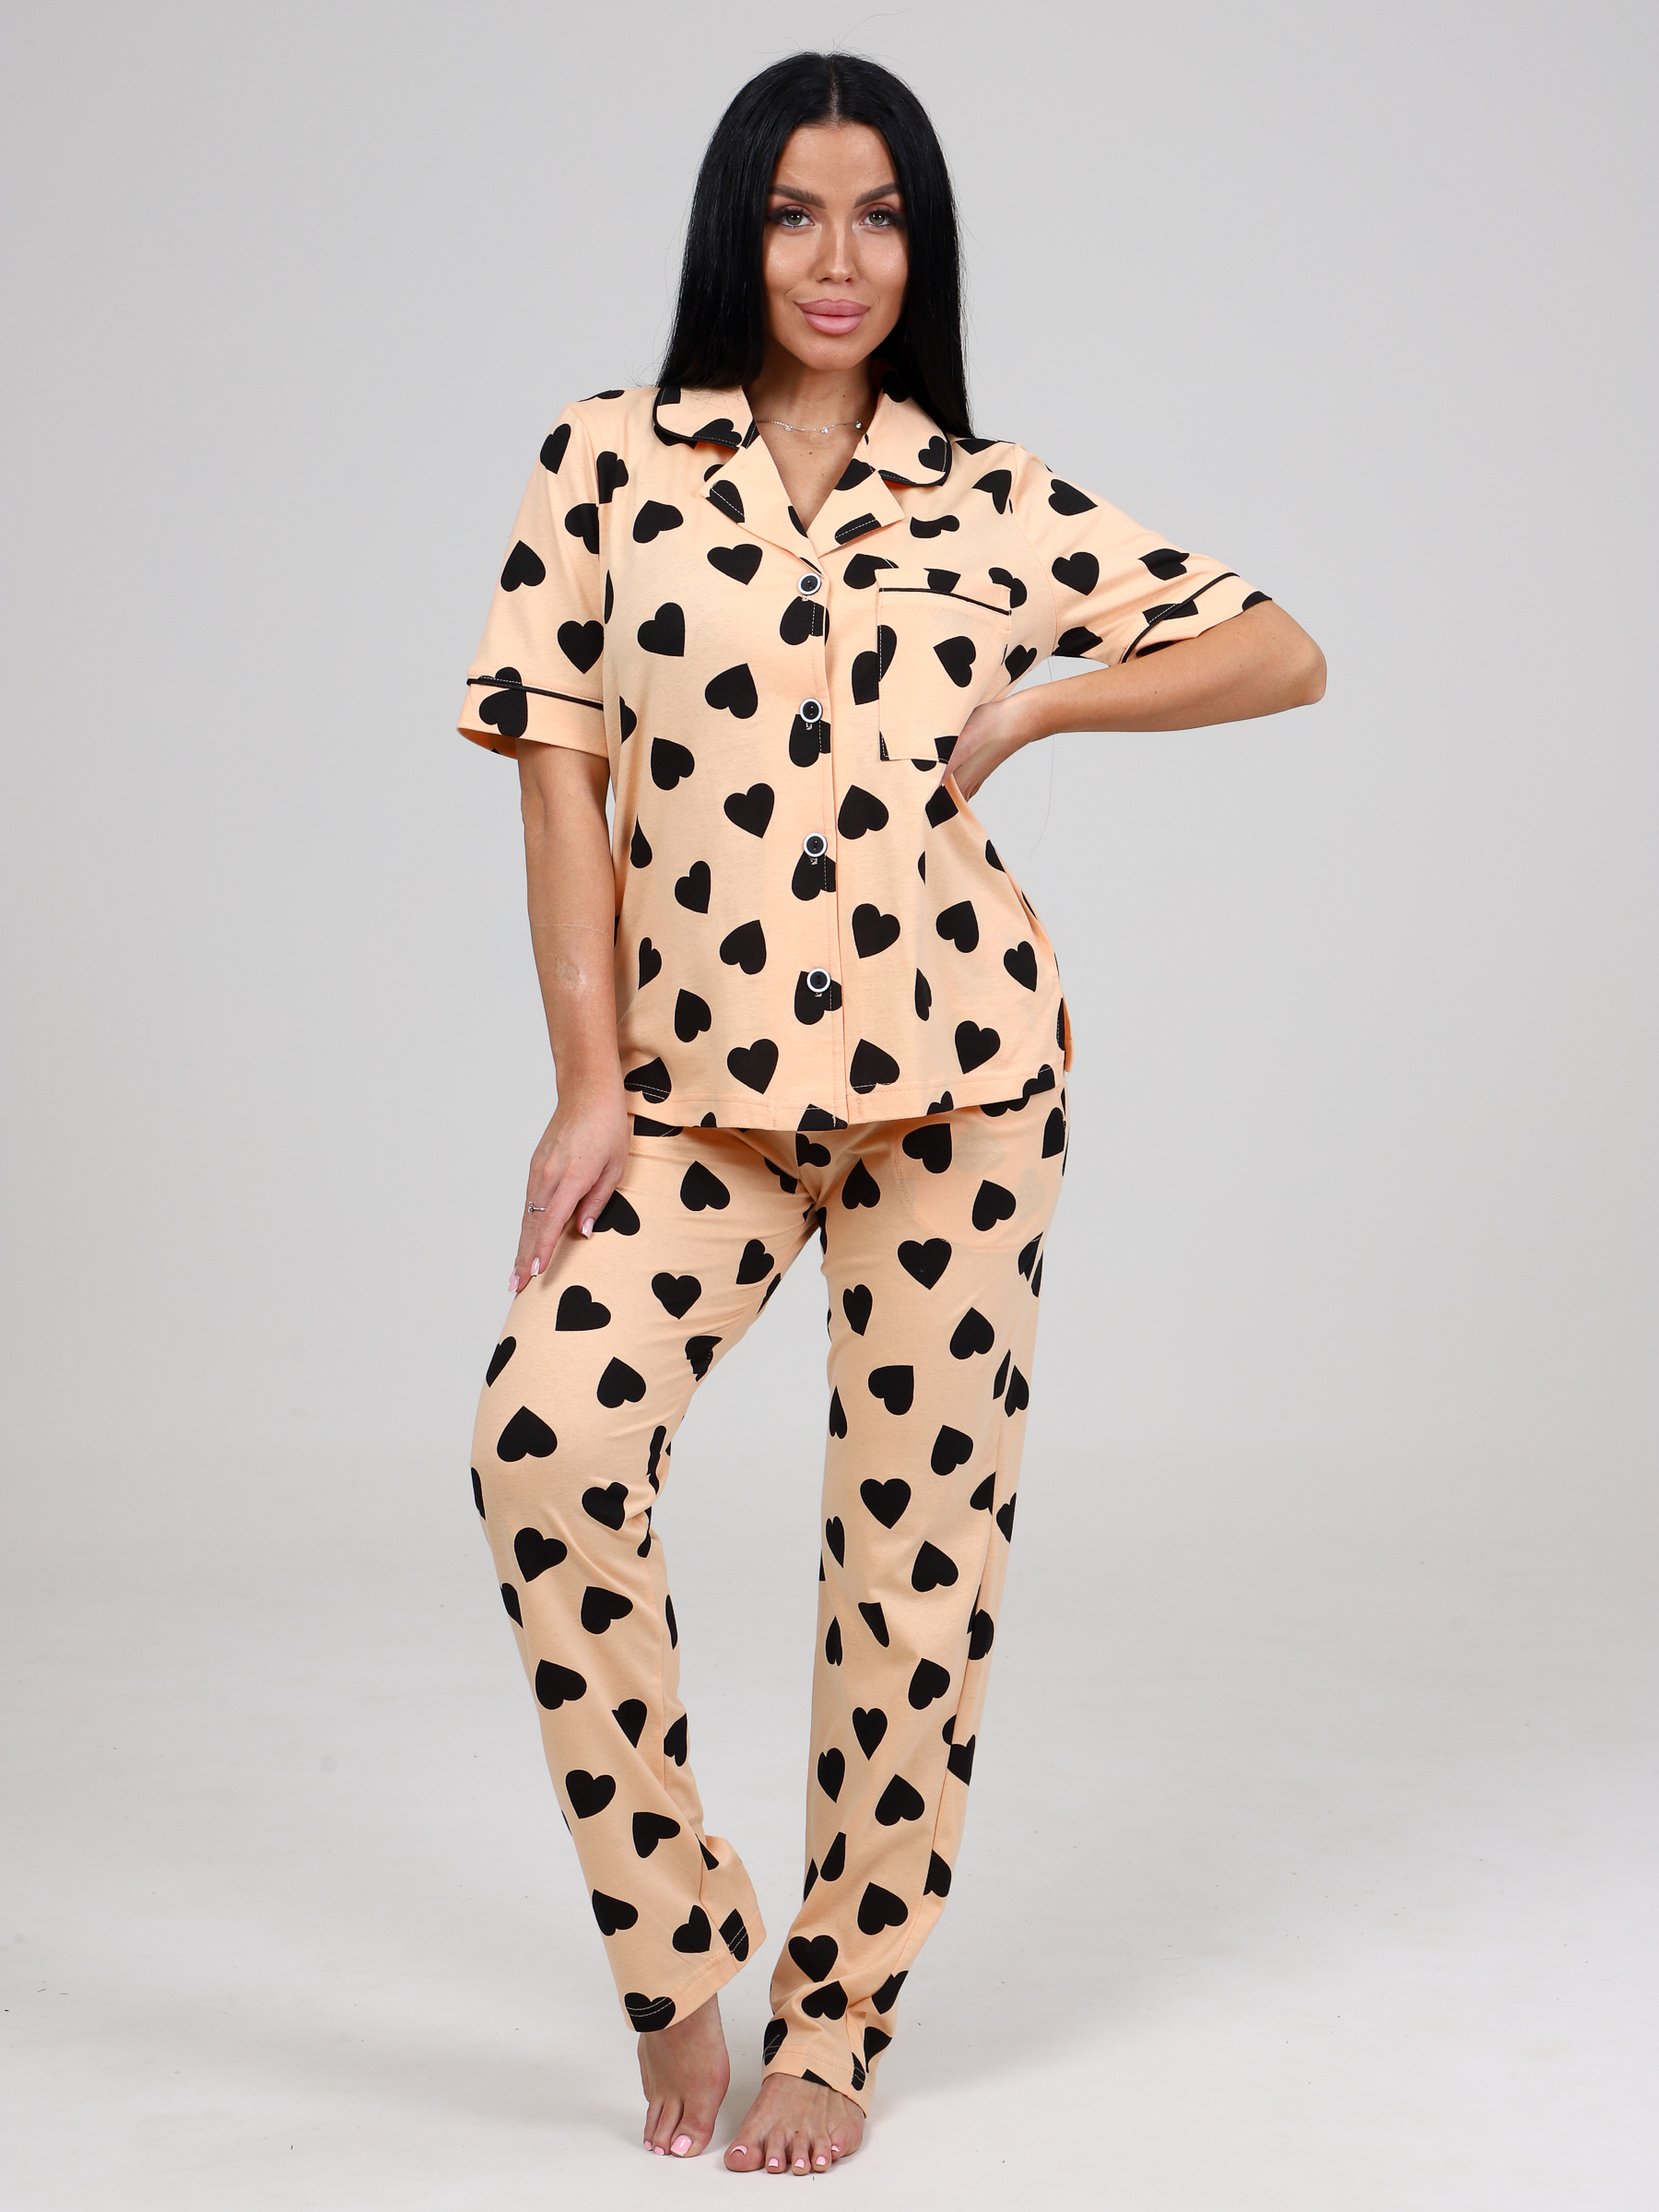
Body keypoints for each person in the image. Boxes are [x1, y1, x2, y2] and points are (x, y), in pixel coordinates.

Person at [456, 49, 1324, 2180]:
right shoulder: (605, 462)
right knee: (543, 1444)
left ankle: (837, 2015)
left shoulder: (984, 496)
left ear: (920, 247)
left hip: (966, 1084)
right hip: (700, 1096)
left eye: (879, 216)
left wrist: (1042, 705)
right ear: (732, 231)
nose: (836, 259)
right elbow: (561, 777)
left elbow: (1281, 649)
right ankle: (678, 1949)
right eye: (793, 212)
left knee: (913, 1566)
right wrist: (585, 1087)